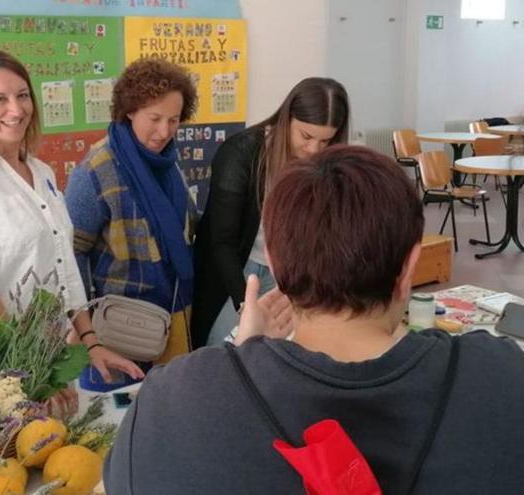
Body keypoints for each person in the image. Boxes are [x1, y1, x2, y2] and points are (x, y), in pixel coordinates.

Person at [104, 146, 524, 493]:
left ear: (275, 265)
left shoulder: (173, 402)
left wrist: (241, 358)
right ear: (409, 266)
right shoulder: (502, 379)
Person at [0, 51, 143, 414]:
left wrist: (90, 343)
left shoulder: (42, 172)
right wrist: (29, 373)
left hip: (51, 361)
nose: (16, 109)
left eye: (23, 95)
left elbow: (64, 267)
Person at [191, 77, 350, 348]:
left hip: (286, 269)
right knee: (225, 348)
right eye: (306, 136)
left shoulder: (326, 162)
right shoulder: (241, 153)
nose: (314, 150)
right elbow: (222, 242)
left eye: (325, 141)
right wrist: (246, 305)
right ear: (287, 118)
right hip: (236, 269)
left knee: (283, 350)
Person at [64, 58, 199, 365]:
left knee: (169, 405)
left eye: (174, 120)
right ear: (129, 111)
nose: (164, 131)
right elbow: (73, 255)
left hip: (174, 313)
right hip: (121, 326)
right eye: (155, 118)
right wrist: (86, 331)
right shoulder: (96, 169)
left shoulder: (167, 163)